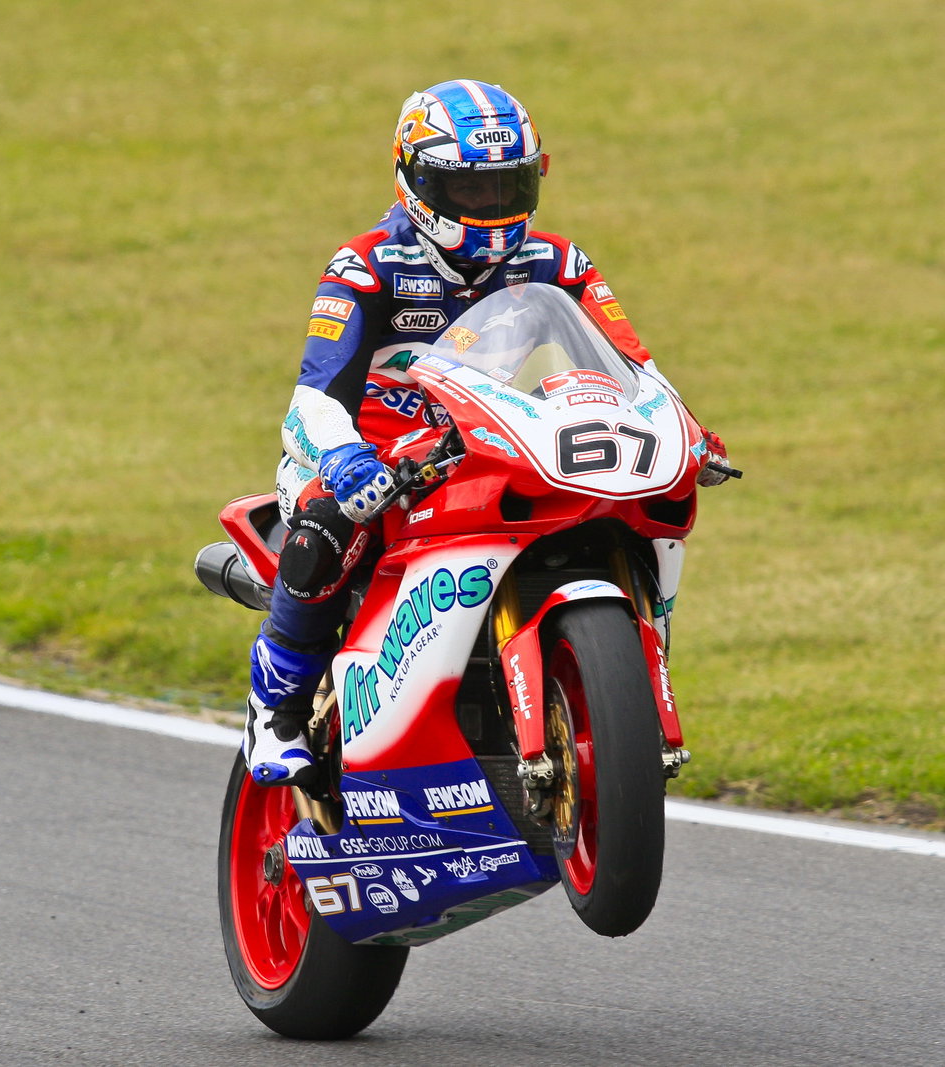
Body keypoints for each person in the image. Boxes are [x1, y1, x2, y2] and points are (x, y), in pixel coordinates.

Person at [244, 79, 731, 786]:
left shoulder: (560, 262)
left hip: (492, 444)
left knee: (626, 501)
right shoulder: (364, 267)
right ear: (419, 182)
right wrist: (345, 460)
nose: (493, 208)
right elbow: (310, 402)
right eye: (470, 190)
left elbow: (637, 368)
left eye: (509, 187)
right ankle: (276, 702)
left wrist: (686, 429)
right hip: (373, 456)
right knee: (329, 519)